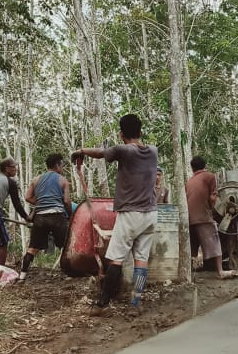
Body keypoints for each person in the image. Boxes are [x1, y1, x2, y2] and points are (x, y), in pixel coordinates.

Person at [72, 114, 158, 309]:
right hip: (151, 213)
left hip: (130, 214)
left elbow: (102, 153)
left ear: (121, 134)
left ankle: (103, 302)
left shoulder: (123, 150)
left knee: (116, 259)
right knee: (141, 259)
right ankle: (135, 301)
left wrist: (81, 151)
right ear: (141, 131)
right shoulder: (153, 151)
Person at [19, 153, 72, 276]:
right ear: (57, 165)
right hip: (57, 216)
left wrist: (42, 202)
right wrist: (70, 215)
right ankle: (68, 274)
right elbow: (66, 201)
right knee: (65, 246)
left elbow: (28, 197)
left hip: (40, 217)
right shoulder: (63, 180)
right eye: (62, 165)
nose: (62, 168)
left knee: (32, 249)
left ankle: (22, 276)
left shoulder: (36, 180)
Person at [185, 156, 236, 279]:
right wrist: (212, 211)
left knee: (191, 245)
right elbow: (213, 197)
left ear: (192, 168)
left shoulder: (189, 181)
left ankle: (189, 273)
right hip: (203, 216)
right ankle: (220, 272)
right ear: (204, 166)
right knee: (214, 242)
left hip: (189, 217)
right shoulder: (210, 176)